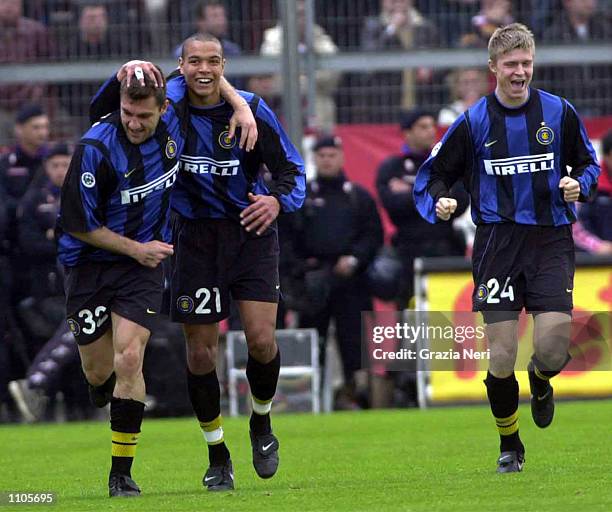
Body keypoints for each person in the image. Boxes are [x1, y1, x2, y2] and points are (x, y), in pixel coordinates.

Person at [91, 34, 305, 491]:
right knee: (202, 351)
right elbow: (108, 111)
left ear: (224, 65)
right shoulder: (166, 106)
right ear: (180, 65)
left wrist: (277, 203)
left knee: (263, 341)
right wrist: (128, 70)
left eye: (212, 61)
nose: (203, 69)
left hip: (250, 231)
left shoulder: (252, 108)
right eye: (193, 61)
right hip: (192, 238)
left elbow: (292, 169)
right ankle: (217, 453)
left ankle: (261, 423)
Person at [414, 23, 600, 473]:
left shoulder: (559, 112)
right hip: (498, 242)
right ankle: (510, 445)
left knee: (553, 348)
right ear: (493, 67)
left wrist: (581, 184)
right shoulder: (474, 120)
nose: (520, 73)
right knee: (500, 354)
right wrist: (440, 199)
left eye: (526, 64)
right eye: (511, 65)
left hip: (551, 239)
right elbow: (437, 172)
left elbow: (589, 163)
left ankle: (540, 379)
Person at [56, 68, 187, 497]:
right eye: (127, 112)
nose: (134, 122)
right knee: (98, 373)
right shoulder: (94, 148)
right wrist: (137, 249)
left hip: (141, 269)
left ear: (163, 109)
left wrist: (240, 105)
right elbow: (78, 225)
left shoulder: (174, 124)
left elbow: (200, 75)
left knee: (130, 357)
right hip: (90, 265)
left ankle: (121, 474)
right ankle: (102, 390)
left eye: (143, 116)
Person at [287, 135, 383, 409]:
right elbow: (289, 237)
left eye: (332, 155)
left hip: (350, 280)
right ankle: (308, 394)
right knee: (309, 338)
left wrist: (354, 259)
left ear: (341, 157)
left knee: (353, 340)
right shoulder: (302, 195)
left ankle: (355, 393)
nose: (327, 160)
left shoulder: (358, 196)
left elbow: (373, 235)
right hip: (313, 279)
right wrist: (302, 269)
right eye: (322, 155)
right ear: (314, 158)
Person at [376, 110, 468, 307]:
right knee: (408, 322)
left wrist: (411, 192)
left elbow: (460, 201)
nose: (431, 131)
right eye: (423, 127)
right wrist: (439, 194)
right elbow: (392, 205)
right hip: (408, 253)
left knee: (446, 317)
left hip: (445, 250)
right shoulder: (392, 167)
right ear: (407, 133)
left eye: (432, 126)